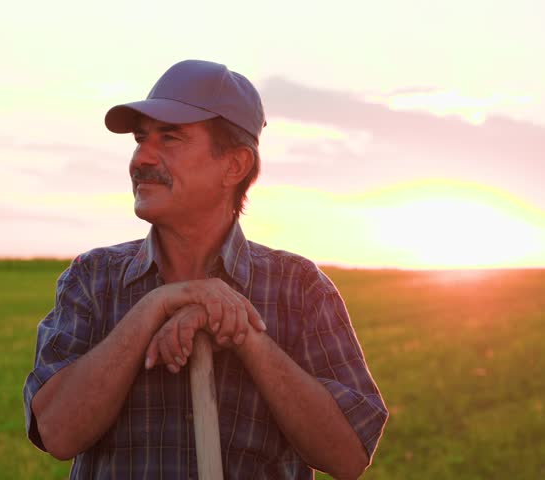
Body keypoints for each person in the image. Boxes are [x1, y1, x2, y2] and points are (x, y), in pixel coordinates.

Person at [23, 59, 388, 479]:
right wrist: (154, 307)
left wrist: (244, 332)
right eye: (140, 139)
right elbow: (57, 433)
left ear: (234, 165)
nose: (141, 158)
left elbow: (348, 456)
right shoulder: (92, 278)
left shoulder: (299, 289)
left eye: (170, 138)